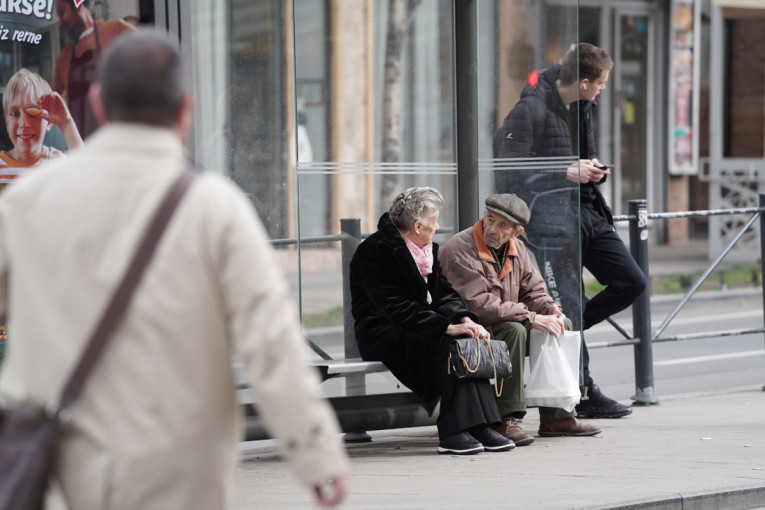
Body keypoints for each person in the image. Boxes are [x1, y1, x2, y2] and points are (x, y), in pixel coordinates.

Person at [0, 29, 348, 508]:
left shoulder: (27, 201)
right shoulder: (216, 208)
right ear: (185, 110)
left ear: (99, 103)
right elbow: (271, 341)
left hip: (60, 471)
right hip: (178, 473)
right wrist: (316, 454)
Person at [493, 42, 646, 419]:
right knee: (567, 303)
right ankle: (582, 390)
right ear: (582, 81)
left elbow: (576, 160)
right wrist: (564, 170)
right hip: (549, 221)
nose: (603, 88)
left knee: (632, 281)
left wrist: (591, 170)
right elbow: (506, 167)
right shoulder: (530, 108)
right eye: (601, 82)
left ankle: (562, 329)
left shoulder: (583, 107)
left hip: (588, 210)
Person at [350, 187, 514, 455]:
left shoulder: (425, 249)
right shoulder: (375, 251)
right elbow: (394, 307)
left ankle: (480, 425)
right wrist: (446, 327)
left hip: (419, 325)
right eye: (434, 221)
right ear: (417, 225)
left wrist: (464, 319)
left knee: (467, 338)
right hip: (383, 331)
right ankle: (453, 432)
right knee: (450, 343)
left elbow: (445, 293)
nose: (437, 227)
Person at [440, 194, 601, 443]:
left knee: (561, 325)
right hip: (472, 330)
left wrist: (550, 309)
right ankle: (507, 418)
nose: (492, 228)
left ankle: (557, 415)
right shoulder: (460, 248)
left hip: (504, 322)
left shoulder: (518, 249)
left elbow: (533, 291)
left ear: (517, 231)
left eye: (503, 225)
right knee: (515, 330)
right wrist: (531, 317)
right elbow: (479, 304)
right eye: (490, 219)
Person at [52, 0, 135, 138]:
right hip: (81, 150)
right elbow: (53, 98)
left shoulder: (117, 31)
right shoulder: (64, 57)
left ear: (78, 6)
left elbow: (153, 66)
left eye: (61, 13)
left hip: (118, 142)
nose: (60, 23)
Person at [0, 69, 84, 190]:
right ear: (7, 121)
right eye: (15, 114)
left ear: (49, 122)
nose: (23, 123)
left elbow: (85, 173)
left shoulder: (55, 161)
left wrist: (66, 123)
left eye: (33, 114)